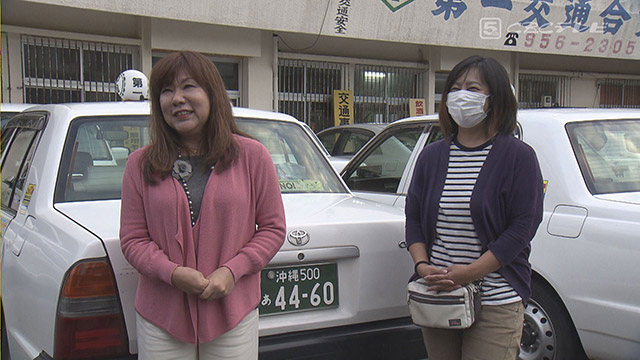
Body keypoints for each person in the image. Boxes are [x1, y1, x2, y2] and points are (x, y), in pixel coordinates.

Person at [120, 51, 286, 360]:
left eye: (188, 86)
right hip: (162, 317)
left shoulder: (252, 156)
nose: (177, 99)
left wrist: (231, 271)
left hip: (232, 312)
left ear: (212, 93)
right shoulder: (139, 164)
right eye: (166, 91)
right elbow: (132, 239)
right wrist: (172, 273)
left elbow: (273, 228)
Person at [405, 55, 544, 360]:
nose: (460, 95)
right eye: (454, 88)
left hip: (496, 298)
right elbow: (414, 216)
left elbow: (523, 227)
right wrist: (422, 266)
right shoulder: (431, 157)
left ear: (496, 98)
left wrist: (469, 272)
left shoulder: (518, 157)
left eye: (473, 88)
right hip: (440, 294)